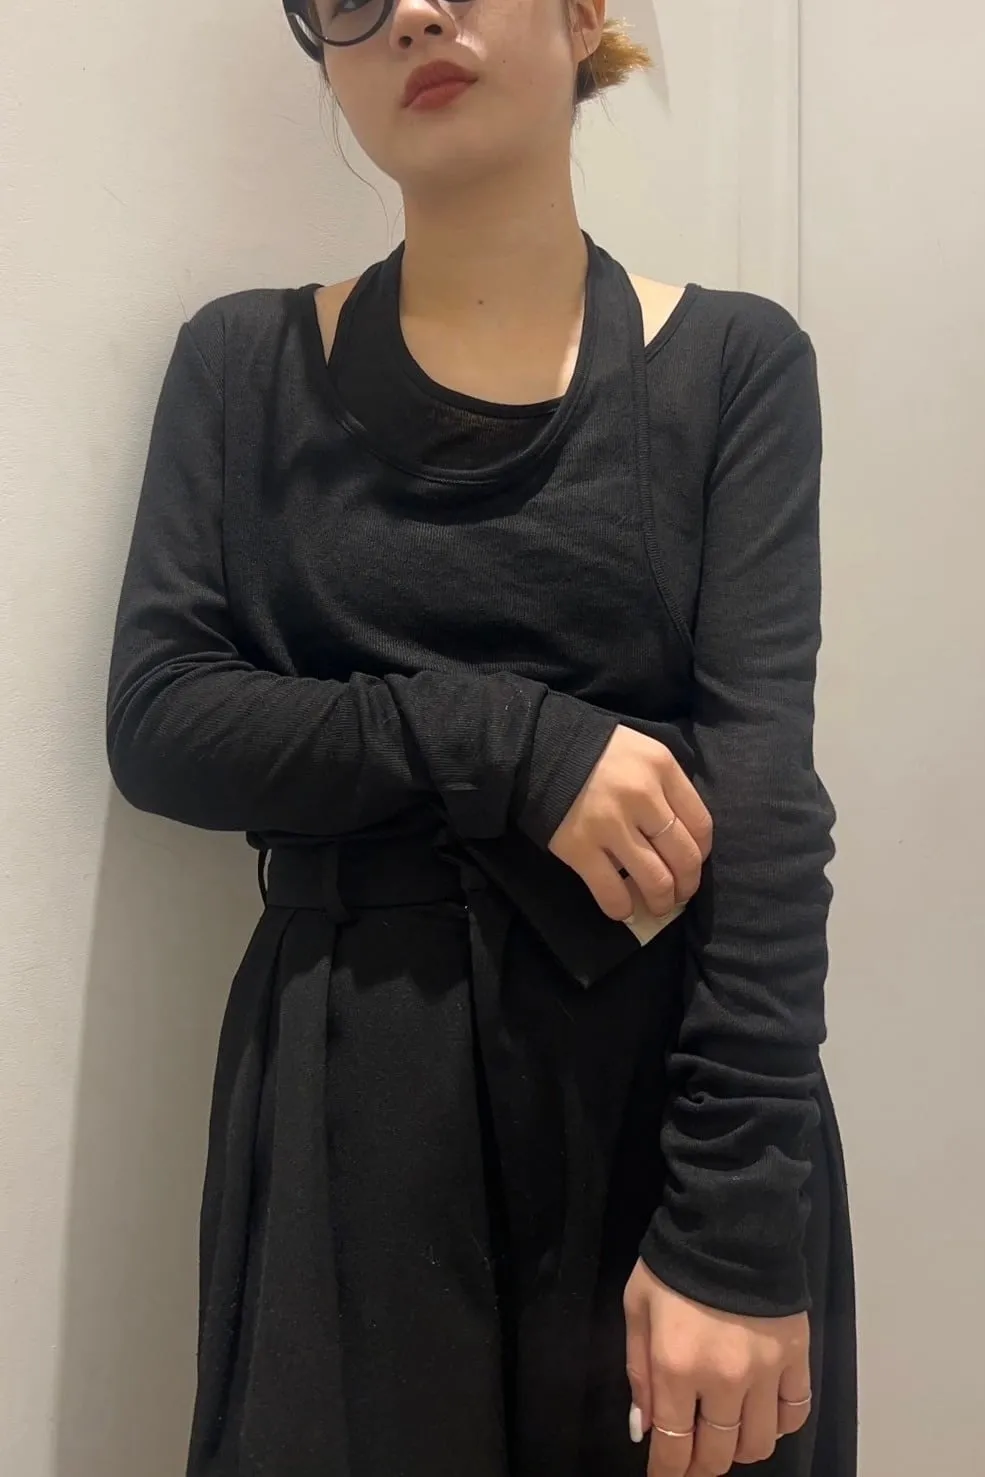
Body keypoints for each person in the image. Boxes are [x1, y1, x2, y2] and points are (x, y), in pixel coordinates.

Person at [106, 0, 856, 1472]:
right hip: (350, 1112)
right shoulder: (241, 364)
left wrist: (736, 1227)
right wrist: (507, 743)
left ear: (585, 15)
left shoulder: (734, 366)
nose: (412, 14)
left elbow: (767, 800)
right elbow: (163, 719)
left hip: (670, 1109)